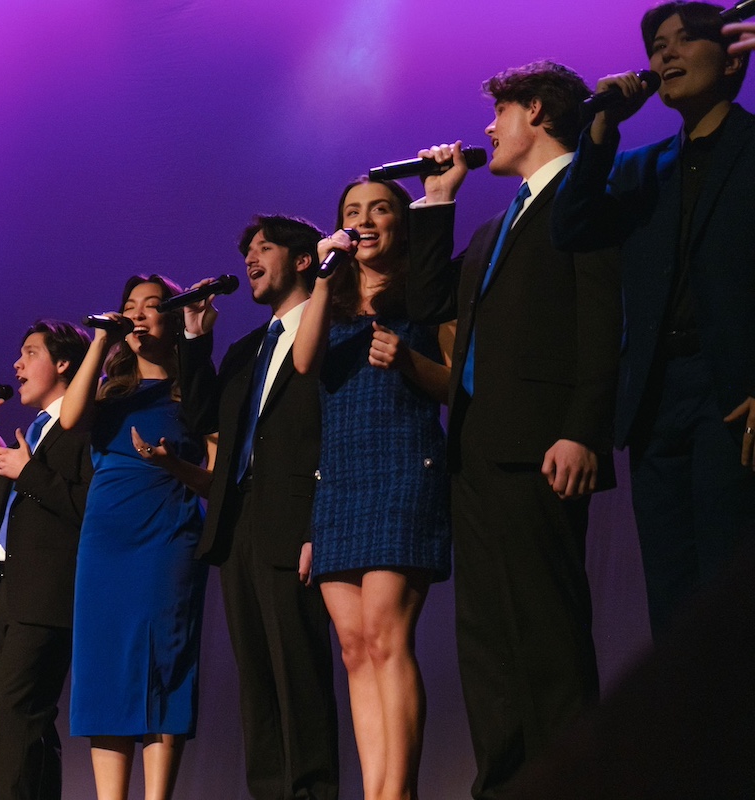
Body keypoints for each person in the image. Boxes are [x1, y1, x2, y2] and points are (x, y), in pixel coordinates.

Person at [406, 61, 622, 798]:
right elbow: (431, 302)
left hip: (541, 444)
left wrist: (582, 429)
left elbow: (600, 319)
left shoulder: (582, 193)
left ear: (535, 111)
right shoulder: (499, 225)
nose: (488, 131)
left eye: (500, 114)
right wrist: (436, 204)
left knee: (547, 633)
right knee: (488, 640)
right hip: (476, 449)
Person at [551, 1, 755, 641]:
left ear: (730, 59)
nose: (663, 55)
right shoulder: (640, 168)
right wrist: (604, 126)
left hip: (733, 393)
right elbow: (572, 226)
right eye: (655, 45)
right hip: (655, 396)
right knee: (673, 600)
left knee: (730, 588)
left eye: (682, 41)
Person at [294, 178, 453, 800]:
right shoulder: (328, 303)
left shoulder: (425, 291)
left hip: (402, 470)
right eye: (352, 212)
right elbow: (305, 363)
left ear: (401, 224)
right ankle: (377, 791)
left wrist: (409, 362)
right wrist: (325, 277)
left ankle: (396, 791)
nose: (364, 220)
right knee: (356, 648)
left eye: (379, 209)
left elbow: (457, 385)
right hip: (339, 485)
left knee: (388, 635)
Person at [179, 215, 340, 800]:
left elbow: (333, 433)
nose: (250, 256)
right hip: (238, 520)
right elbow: (202, 422)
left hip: (294, 517)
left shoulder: (329, 330)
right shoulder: (248, 349)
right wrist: (196, 337)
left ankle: (314, 791)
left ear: (303, 259)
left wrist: (320, 523)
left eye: (264, 247)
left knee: (298, 670)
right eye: (246, 248)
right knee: (258, 680)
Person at [59, 276, 213, 800]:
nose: (140, 315)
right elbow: (70, 419)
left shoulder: (192, 391)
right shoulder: (109, 395)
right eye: (130, 307)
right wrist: (101, 339)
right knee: (104, 672)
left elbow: (216, 478)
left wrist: (175, 464)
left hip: (165, 540)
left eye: (153, 306)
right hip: (104, 543)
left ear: (173, 320)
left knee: (162, 664)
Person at [0, 319, 93, 800]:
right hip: (7, 592)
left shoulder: (83, 426)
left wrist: (29, 472)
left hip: (47, 594)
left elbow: (91, 507)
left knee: (18, 716)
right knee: (27, 722)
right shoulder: (31, 432)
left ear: (63, 363)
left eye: (30, 352)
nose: (16, 364)